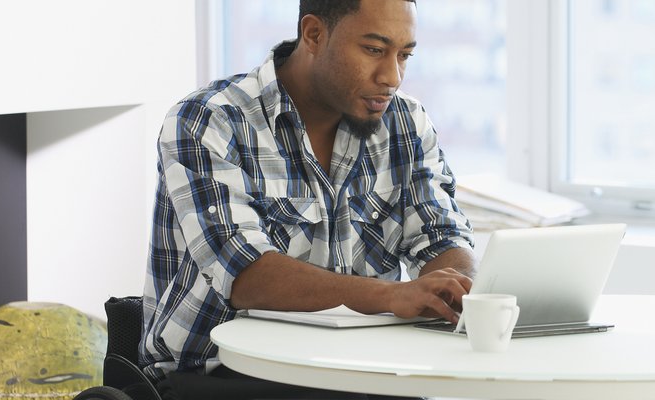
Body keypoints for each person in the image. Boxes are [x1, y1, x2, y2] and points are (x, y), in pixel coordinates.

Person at [139, 0, 475, 398]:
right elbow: (244, 274)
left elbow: (443, 236)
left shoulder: (406, 122)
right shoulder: (210, 120)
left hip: (359, 372)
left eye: (404, 55)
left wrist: (461, 289)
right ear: (314, 34)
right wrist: (392, 295)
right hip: (218, 376)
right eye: (374, 50)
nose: (392, 76)